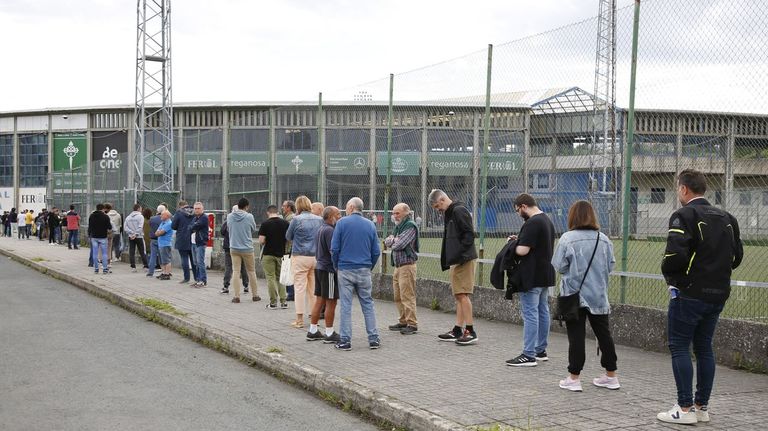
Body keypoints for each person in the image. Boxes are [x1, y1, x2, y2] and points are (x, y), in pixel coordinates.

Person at [657, 169, 743, 425]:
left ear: (684, 189)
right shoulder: (728, 217)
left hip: (690, 293)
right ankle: (701, 407)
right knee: (704, 348)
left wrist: (673, 278)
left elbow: (674, 256)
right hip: (718, 293)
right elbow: (737, 257)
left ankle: (684, 409)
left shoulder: (684, 215)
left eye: (677, 187)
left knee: (680, 346)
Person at [552, 200, 619, 392]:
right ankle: (611, 375)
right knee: (604, 334)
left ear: (572, 216)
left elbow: (559, 266)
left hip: (574, 295)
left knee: (576, 336)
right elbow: (610, 265)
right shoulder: (604, 239)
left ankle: (574, 377)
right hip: (598, 294)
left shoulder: (567, 238)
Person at [506, 193, 556, 367]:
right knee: (543, 311)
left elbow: (522, 250)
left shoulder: (532, 222)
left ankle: (528, 354)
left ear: (523, 206)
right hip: (545, 274)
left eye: (518, 210)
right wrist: (518, 240)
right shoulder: (546, 220)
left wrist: (512, 244)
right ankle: (540, 350)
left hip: (531, 275)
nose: (519, 214)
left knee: (530, 313)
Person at [429, 189, 479, 345]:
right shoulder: (451, 212)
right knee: (458, 295)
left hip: (463, 259)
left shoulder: (459, 210)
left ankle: (470, 331)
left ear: (443, 199)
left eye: (438, 206)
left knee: (463, 294)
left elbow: (469, 234)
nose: (438, 210)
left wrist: (460, 255)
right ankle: (458, 329)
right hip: (457, 259)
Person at [331, 197, 381, 351]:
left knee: (346, 305)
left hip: (345, 268)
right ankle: (374, 339)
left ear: (351, 207)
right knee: (368, 303)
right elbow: (376, 251)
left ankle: (345, 340)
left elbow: (334, 249)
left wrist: (337, 266)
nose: (345, 209)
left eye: (346, 206)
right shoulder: (370, 225)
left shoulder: (341, 223)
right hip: (364, 268)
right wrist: (369, 266)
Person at [285, 196, 323, 328]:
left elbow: (288, 236)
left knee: (299, 288)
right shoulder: (319, 219)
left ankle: (299, 319)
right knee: (313, 289)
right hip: (315, 257)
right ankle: (314, 318)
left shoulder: (296, 219)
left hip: (300, 255)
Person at [306, 206, 341, 343]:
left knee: (319, 300)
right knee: (331, 302)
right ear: (331, 216)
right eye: (337, 214)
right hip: (328, 270)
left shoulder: (320, 229)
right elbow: (333, 251)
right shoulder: (330, 231)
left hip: (319, 267)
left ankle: (313, 330)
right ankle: (329, 332)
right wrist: (337, 266)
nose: (339, 216)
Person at [384, 203, 420, 335]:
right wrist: (393, 240)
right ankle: (403, 320)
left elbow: (399, 244)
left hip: (407, 266)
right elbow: (387, 241)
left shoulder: (410, 226)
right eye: (393, 213)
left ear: (406, 212)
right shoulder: (398, 227)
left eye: (397, 213)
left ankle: (412, 324)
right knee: (398, 296)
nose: (394, 216)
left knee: (407, 296)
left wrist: (393, 240)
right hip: (398, 266)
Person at [226, 198, 260, 303]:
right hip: (247, 248)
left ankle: (236, 296)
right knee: (251, 271)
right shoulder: (249, 216)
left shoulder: (229, 216)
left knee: (236, 271)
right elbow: (253, 228)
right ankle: (255, 295)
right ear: (246, 206)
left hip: (234, 248)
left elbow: (228, 228)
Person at [257, 205, 289, 308]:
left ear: (268, 212)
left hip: (268, 254)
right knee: (281, 278)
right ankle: (283, 301)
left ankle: (273, 302)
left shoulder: (265, 224)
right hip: (281, 254)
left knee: (270, 277)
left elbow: (261, 241)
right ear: (278, 212)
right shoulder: (285, 223)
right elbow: (289, 239)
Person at [221, 205, 249, 295]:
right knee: (243, 267)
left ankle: (226, 286)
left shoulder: (229, 220)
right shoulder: (246, 220)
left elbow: (222, 231)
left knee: (229, 267)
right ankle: (246, 286)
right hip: (242, 247)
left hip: (229, 247)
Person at [171, 200, 197, 284]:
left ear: (180, 206)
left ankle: (186, 278)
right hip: (193, 237)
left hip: (182, 237)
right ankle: (197, 278)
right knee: (194, 259)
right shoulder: (195, 212)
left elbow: (173, 226)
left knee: (184, 258)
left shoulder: (179, 213)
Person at [124, 203, 149, 273]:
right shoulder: (140, 216)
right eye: (141, 208)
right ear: (138, 209)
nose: (141, 210)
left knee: (132, 251)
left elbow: (125, 227)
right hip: (139, 236)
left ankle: (133, 267)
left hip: (131, 236)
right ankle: (146, 266)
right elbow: (140, 227)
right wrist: (135, 234)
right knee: (142, 251)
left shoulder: (128, 217)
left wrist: (131, 233)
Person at [88, 203, 112, 274]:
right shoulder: (106, 217)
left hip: (94, 236)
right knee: (104, 253)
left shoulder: (91, 216)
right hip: (103, 237)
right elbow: (109, 227)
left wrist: (89, 234)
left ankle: (96, 269)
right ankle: (105, 269)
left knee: (95, 253)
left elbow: (90, 226)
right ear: (103, 209)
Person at [189, 202, 209, 287]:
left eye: (198, 208)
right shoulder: (195, 218)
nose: (196, 210)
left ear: (202, 209)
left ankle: (203, 280)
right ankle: (197, 279)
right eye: (195, 208)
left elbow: (195, 226)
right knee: (195, 262)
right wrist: (193, 226)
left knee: (200, 262)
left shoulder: (204, 217)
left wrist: (193, 226)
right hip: (193, 242)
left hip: (200, 242)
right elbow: (189, 227)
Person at [146, 205, 166, 278]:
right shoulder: (164, 219)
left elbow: (150, 226)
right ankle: (165, 271)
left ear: (157, 211)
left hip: (154, 239)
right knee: (162, 256)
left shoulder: (152, 219)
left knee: (153, 256)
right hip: (162, 239)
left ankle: (150, 272)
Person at [282, 200, 296, 301]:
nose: (282, 208)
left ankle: (291, 293)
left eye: (284, 206)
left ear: (289, 208)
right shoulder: (288, 218)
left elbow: (288, 235)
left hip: (289, 248)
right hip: (290, 247)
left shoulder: (291, 219)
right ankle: (291, 292)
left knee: (289, 270)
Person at [155, 210, 174, 280]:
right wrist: (158, 232)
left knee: (166, 260)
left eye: (162, 215)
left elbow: (160, 233)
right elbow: (156, 232)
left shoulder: (169, 223)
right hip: (161, 244)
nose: (160, 216)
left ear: (167, 216)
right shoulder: (162, 223)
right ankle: (164, 272)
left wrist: (158, 232)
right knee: (162, 260)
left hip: (166, 244)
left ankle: (167, 274)